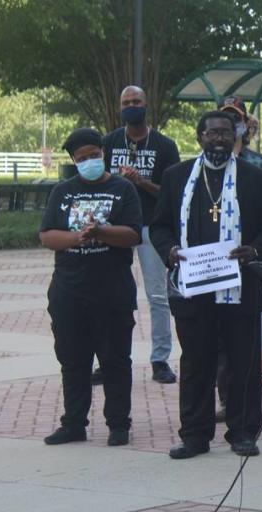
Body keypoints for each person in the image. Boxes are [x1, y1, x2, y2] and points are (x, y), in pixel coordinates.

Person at [150, 111, 262, 459]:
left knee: (244, 363)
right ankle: (194, 435)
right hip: (193, 291)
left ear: (235, 135)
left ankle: (243, 432)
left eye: (226, 132)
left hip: (241, 289)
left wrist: (253, 249)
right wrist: (170, 251)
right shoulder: (176, 177)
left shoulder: (253, 178)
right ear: (200, 137)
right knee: (196, 363)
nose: (219, 138)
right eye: (212, 133)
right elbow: (159, 227)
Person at [39, 128, 142, 447]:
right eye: (82, 159)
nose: (89, 162)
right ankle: (73, 423)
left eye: (94, 156)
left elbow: (133, 234)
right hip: (70, 291)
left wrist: (102, 231)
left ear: (103, 153)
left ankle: (118, 423)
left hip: (112, 291)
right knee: (73, 360)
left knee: (115, 360)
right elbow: (46, 236)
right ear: (74, 161)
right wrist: (77, 237)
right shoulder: (63, 191)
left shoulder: (122, 188)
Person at [102, 85, 181, 384]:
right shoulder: (109, 142)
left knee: (158, 295)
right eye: (126, 102)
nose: (131, 106)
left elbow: (171, 193)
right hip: (115, 228)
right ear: (119, 107)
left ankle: (160, 359)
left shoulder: (164, 145)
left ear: (146, 105)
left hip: (151, 227)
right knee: (108, 294)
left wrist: (141, 181)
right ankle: (107, 358)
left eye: (136, 101)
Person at [218, 97, 262, 391]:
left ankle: (261, 366)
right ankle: (224, 382)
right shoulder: (209, 164)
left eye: (237, 118)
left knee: (258, 310)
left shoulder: (260, 164)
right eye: (225, 117)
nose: (232, 124)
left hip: (253, 250)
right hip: (218, 255)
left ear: (246, 123)